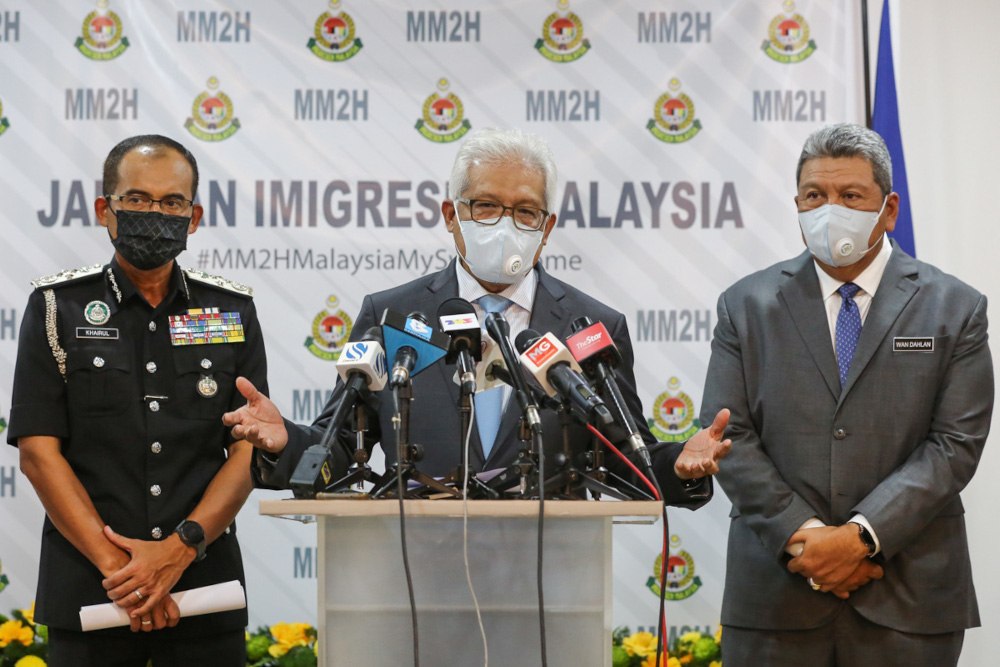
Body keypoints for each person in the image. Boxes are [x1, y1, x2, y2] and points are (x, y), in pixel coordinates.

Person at [226, 127, 731, 504]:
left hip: (549, 575)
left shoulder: (590, 326)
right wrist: (288, 441)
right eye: (486, 206)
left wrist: (680, 467)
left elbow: (625, 461)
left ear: (547, 226)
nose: (505, 224)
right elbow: (339, 452)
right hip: (417, 572)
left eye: (525, 211)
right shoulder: (393, 316)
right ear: (452, 216)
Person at [700, 123, 992, 666]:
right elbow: (727, 433)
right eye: (814, 195)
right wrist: (808, 539)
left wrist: (859, 537)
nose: (828, 208)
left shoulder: (956, 308)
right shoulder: (745, 305)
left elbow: (954, 444)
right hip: (776, 597)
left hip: (910, 599)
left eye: (850, 195)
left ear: (889, 209)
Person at [7, 135, 268, 667]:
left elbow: (247, 450)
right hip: (91, 588)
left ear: (194, 218)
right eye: (137, 200)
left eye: (173, 203)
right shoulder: (58, 308)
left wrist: (178, 551)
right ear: (106, 210)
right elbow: (37, 452)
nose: (156, 213)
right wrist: (123, 572)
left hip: (201, 586)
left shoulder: (230, 312)